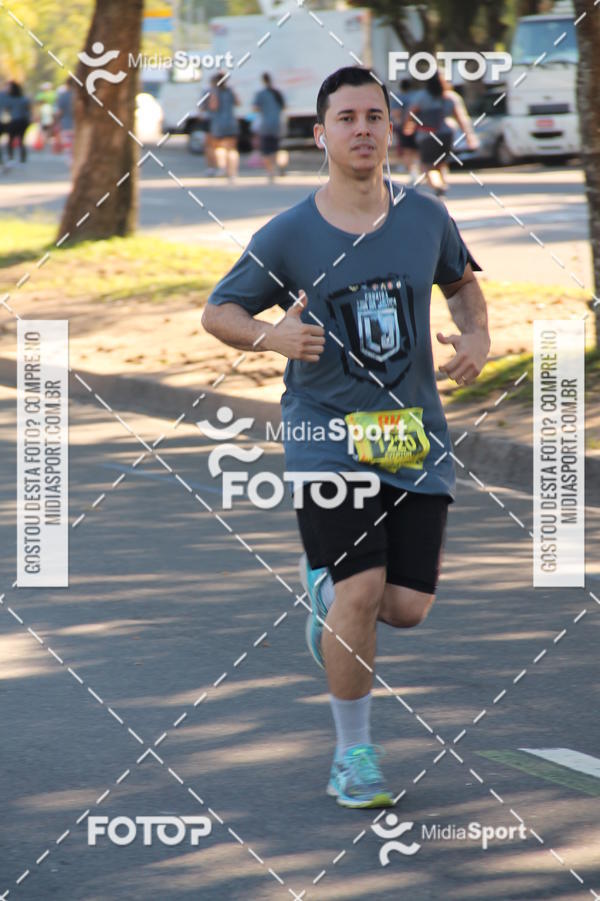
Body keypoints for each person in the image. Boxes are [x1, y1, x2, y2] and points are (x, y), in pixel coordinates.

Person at [202, 66, 490, 808]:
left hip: (414, 436)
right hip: (326, 436)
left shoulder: (426, 216)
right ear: (323, 132)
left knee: (405, 607)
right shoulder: (291, 233)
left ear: (389, 128)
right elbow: (219, 311)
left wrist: (478, 337)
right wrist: (272, 335)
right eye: (345, 118)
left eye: (373, 116)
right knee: (362, 589)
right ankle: (352, 755)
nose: (362, 128)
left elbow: (462, 283)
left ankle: (325, 598)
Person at [407, 70, 479, 195]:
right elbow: (461, 119)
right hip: (447, 133)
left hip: (427, 135)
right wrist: (469, 136)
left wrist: (409, 125)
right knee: (441, 163)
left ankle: (437, 186)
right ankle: (442, 184)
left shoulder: (422, 97)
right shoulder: (451, 97)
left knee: (427, 165)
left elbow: (411, 113)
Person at [253, 72, 286, 180]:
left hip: (266, 124)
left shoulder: (261, 94)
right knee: (276, 148)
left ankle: (270, 172)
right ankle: (279, 165)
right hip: (277, 123)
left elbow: (255, 108)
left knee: (266, 150)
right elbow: (283, 107)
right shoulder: (277, 93)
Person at [208, 74, 239, 181]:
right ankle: (233, 172)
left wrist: (213, 92)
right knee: (232, 149)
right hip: (231, 122)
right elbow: (238, 102)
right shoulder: (230, 90)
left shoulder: (215, 92)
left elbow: (213, 106)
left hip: (219, 123)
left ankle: (222, 168)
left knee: (219, 148)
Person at [393, 78, 419, 179]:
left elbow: (396, 113)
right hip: (418, 126)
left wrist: (399, 124)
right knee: (417, 149)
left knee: (407, 150)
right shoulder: (417, 96)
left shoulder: (399, 97)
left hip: (404, 126)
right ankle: (417, 168)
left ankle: (412, 172)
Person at [5, 81, 31, 164]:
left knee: (11, 139)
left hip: (14, 121)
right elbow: (28, 110)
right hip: (22, 121)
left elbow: (7, 109)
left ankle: (11, 156)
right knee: (21, 140)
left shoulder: (9, 99)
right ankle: (21, 157)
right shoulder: (24, 99)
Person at [53, 79, 74, 155]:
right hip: (78, 127)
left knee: (68, 150)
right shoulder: (80, 97)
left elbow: (59, 112)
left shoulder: (63, 96)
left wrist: (55, 122)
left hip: (66, 126)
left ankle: (72, 165)